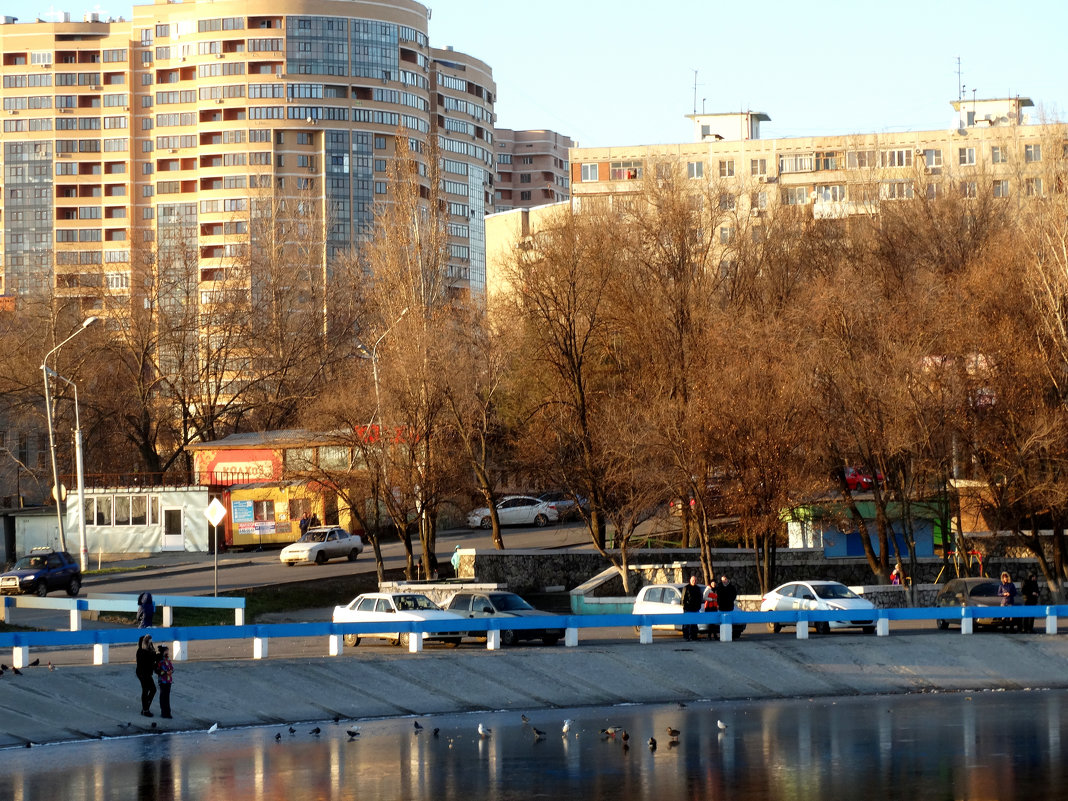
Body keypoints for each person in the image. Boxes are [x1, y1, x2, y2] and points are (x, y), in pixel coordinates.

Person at [136, 634, 158, 717]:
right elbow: (147, 661)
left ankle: (145, 707)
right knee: (147, 690)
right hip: (143, 673)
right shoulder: (141, 651)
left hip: (147, 673)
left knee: (152, 690)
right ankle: (145, 709)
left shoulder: (149, 650)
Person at [681, 575, 703, 642]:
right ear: (690, 580)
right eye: (693, 580)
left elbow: (700, 598)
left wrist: (699, 606)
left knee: (694, 624)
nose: (694, 581)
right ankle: (686, 636)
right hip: (688, 609)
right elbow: (683, 599)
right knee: (687, 624)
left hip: (695, 609)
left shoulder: (698, 588)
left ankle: (694, 636)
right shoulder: (686, 588)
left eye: (695, 580)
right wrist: (685, 607)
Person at [717, 575, 738, 641]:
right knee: (721, 622)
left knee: (730, 622)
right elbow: (717, 596)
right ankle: (721, 635)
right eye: (722, 580)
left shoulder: (731, 587)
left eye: (725, 579)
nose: (724, 581)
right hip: (722, 607)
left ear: (727, 580)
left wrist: (730, 600)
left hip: (729, 607)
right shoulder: (719, 587)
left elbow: (734, 595)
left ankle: (731, 635)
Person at [155, 644, 174, 719]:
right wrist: (166, 672)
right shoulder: (159, 660)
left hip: (168, 680)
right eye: (167, 650)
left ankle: (168, 713)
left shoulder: (167, 659)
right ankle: (164, 712)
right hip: (162, 681)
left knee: (167, 697)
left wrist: (171, 671)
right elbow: (157, 670)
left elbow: (172, 667)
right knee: (163, 697)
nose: (168, 652)